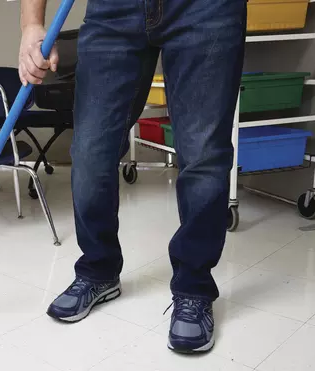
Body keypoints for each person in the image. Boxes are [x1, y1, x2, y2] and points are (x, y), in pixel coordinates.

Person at [19, 0, 246, 353]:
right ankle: (98, 270)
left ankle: (193, 287)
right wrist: (31, 24)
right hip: (113, 10)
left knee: (203, 153)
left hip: (207, 8)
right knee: (91, 151)